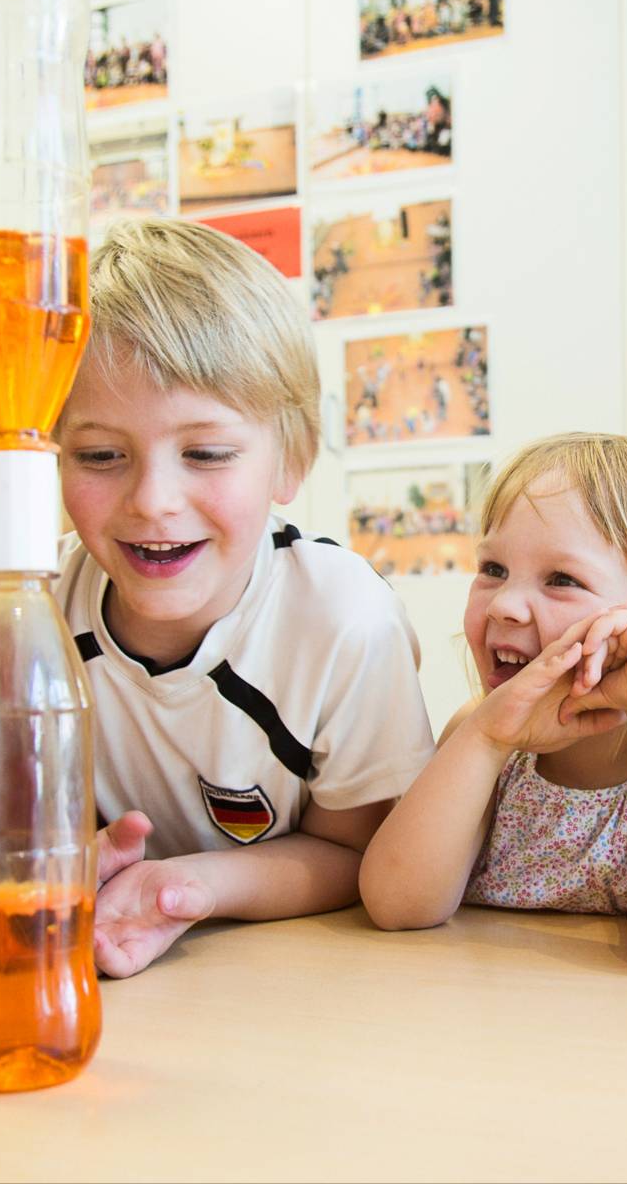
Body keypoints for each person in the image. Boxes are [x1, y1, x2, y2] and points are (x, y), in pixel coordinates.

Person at [54, 217, 434, 978]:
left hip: (306, 984)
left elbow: (356, 850)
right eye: (101, 455)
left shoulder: (345, 624)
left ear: (289, 461)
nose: (154, 500)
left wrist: (191, 885)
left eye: (206, 454)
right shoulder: (39, 616)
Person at [359, 434, 627, 973]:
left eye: (561, 580)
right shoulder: (485, 741)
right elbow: (396, 904)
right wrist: (486, 739)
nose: (505, 605)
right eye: (492, 569)